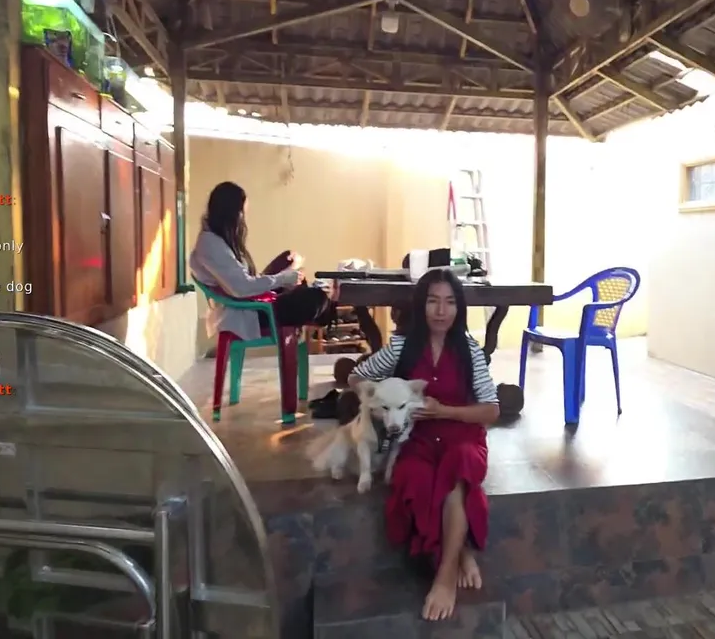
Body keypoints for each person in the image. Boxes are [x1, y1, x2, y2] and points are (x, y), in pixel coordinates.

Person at [349, 268, 500, 621]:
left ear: (459, 308)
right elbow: (358, 376)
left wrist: (444, 411)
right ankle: (460, 551)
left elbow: (491, 410)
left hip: (462, 436)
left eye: (450, 302)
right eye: (433, 301)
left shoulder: (470, 350)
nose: (441, 311)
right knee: (415, 479)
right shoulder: (401, 347)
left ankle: (444, 577)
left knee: (455, 471)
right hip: (417, 439)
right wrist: (377, 400)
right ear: (421, 305)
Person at [189, 181, 335, 343]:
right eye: (242, 213)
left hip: (250, 301)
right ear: (231, 214)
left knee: (287, 259)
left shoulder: (215, 240)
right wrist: (284, 278)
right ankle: (323, 312)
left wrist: (287, 272)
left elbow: (242, 280)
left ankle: (319, 308)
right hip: (249, 312)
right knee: (317, 299)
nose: (243, 220)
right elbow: (242, 288)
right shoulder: (211, 245)